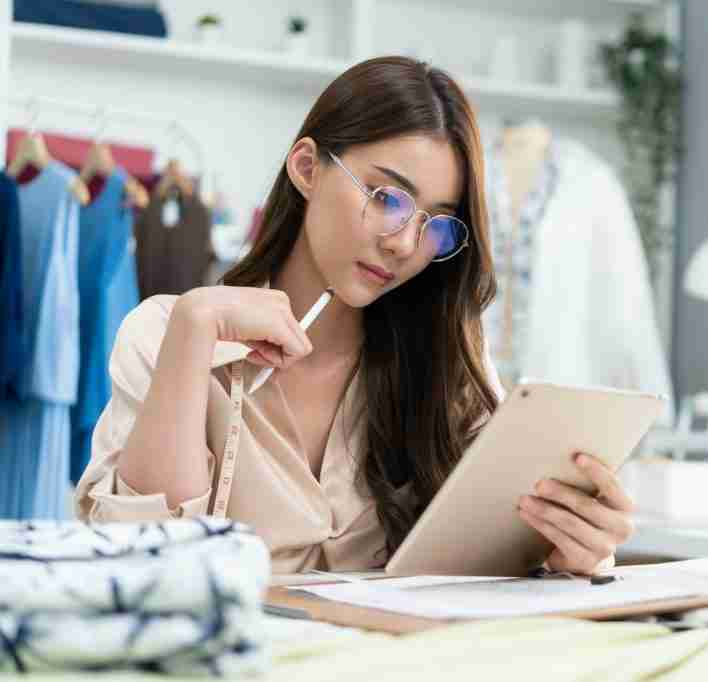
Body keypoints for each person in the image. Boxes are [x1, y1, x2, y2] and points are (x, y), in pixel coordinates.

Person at [75, 57, 635, 575]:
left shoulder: (450, 364)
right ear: (307, 167)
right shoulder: (168, 332)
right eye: (388, 199)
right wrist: (195, 330)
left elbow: (491, 573)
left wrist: (573, 553)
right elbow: (138, 563)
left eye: (436, 225)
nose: (404, 244)